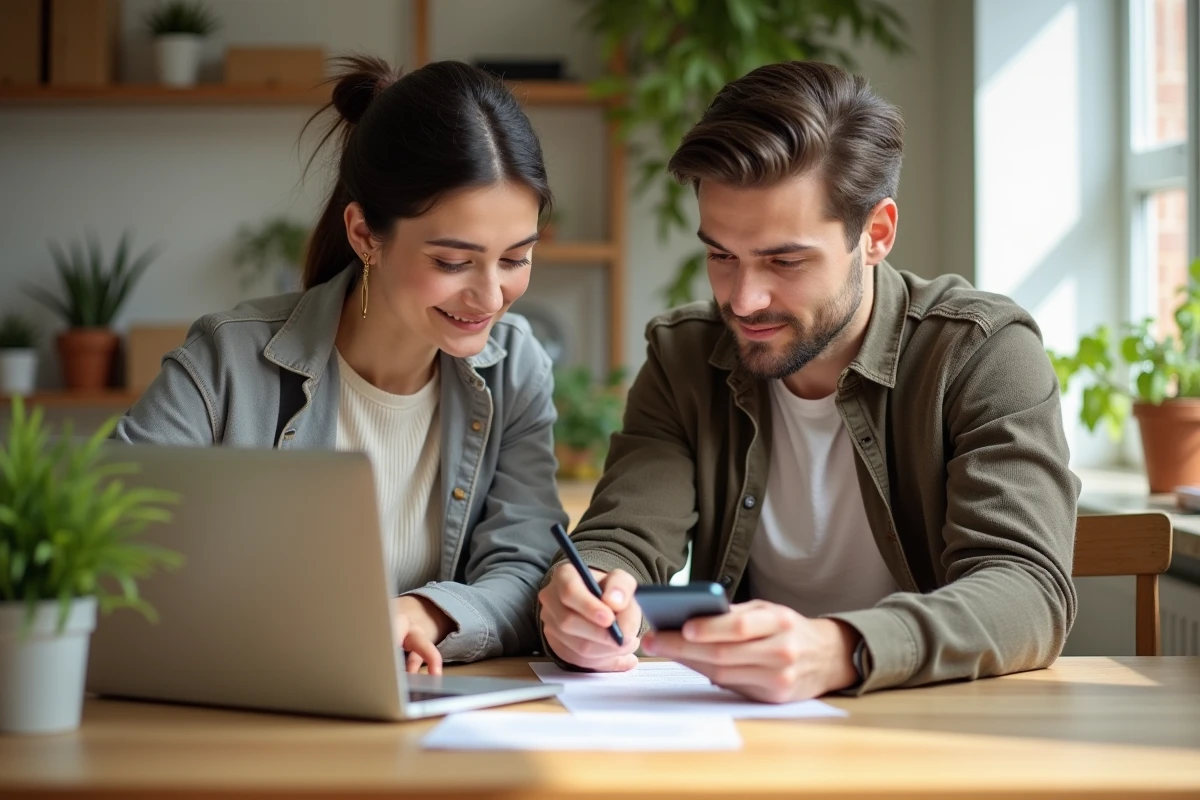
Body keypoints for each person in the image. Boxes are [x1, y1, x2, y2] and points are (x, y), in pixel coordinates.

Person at [538, 60, 1080, 701]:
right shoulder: (685, 354)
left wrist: (842, 649)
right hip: (749, 731)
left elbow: (1026, 588)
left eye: (784, 260)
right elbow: (624, 533)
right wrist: (591, 593)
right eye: (720, 255)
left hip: (933, 726)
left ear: (875, 234)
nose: (742, 299)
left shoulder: (981, 354)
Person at [116, 56, 568, 675]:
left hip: (432, 725)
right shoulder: (225, 363)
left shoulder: (515, 368)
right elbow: (105, 538)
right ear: (365, 235)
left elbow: (526, 572)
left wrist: (422, 615)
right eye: (453, 262)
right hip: (251, 720)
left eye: (515, 258)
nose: (490, 297)